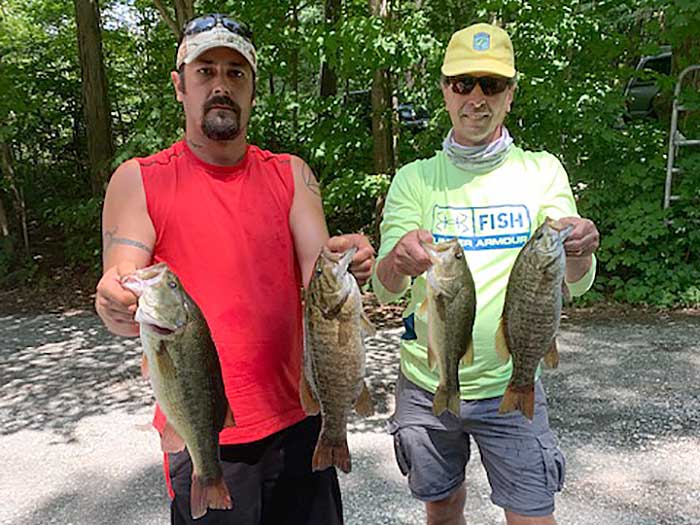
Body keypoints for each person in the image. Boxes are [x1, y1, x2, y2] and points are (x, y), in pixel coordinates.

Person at [95, 13, 374, 525]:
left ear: (253, 88)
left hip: (299, 420)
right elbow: (123, 278)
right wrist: (114, 299)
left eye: (235, 73)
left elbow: (321, 271)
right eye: (205, 71)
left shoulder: (293, 175)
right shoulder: (138, 180)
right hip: (203, 427)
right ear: (179, 85)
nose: (220, 85)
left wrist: (347, 260)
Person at [372, 23, 600, 525]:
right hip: (427, 383)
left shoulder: (542, 172)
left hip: (511, 384)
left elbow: (575, 281)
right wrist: (398, 262)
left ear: (510, 94)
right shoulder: (415, 179)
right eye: (463, 83)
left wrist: (581, 247)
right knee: (444, 506)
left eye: (492, 85)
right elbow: (385, 286)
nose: (476, 97)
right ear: (444, 90)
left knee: (532, 513)